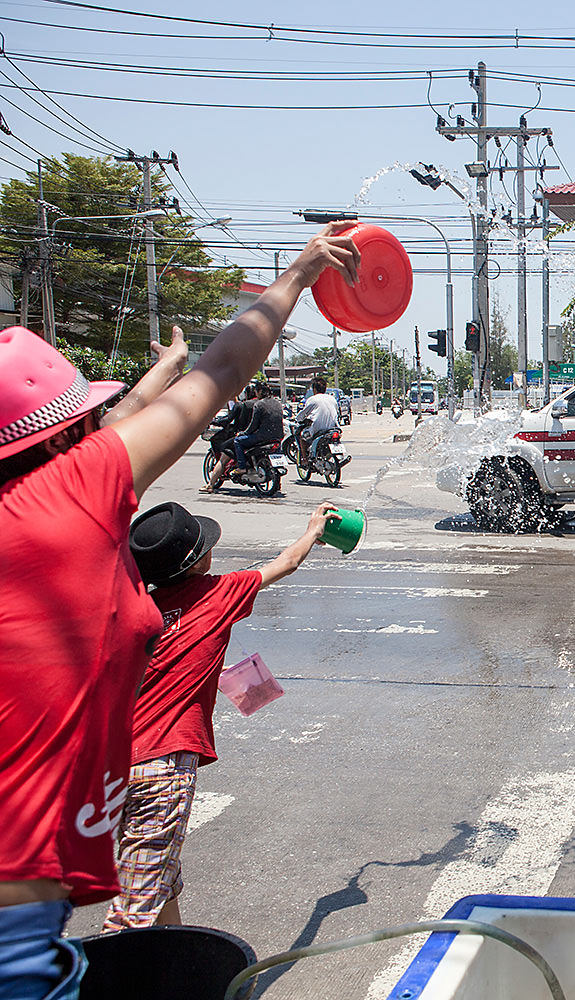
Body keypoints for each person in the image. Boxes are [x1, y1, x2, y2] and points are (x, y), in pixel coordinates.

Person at [0, 220, 358, 1000]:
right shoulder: (67, 499)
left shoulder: (41, 498)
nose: (106, 430)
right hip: (19, 908)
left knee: (158, 891)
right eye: (89, 424)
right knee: (126, 926)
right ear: (65, 443)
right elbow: (225, 366)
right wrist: (297, 275)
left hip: (44, 872)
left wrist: (157, 376)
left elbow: (103, 429)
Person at [104, 501, 339, 931]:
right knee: (134, 908)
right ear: (202, 557)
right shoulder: (218, 593)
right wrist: (314, 531)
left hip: (112, 766)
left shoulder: (138, 611)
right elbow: (287, 562)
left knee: (159, 877)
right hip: (163, 764)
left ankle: (179, 967)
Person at [295, 377, 339, 464]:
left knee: (302, 438)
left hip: (317, 429)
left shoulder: (312, 399)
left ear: (314, 389)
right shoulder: (332, 399)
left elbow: (303, 414)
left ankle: (305, 460)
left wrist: (298, 419)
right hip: (333, 428)